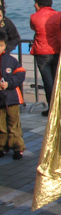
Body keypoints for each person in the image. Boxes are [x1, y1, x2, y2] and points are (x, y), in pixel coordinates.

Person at [30, 0, 61, 115]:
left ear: (39, 4)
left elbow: (33, 28)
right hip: (57, 50)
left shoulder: (34, 17)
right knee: (57, 81)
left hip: (42, 52)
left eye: (35, 3)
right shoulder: (58, 15)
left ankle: (52, 109)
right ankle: (60, 107)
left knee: (48, 82)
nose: (34, 5)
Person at [0, 30, 26, 160]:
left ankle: (17, 148)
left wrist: (9, 84)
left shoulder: (11, 60)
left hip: (12, 98)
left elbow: (20, 74)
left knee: (13, 125)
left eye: (1, 45)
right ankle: (2, 147)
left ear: (5, 46)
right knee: (1, 126)